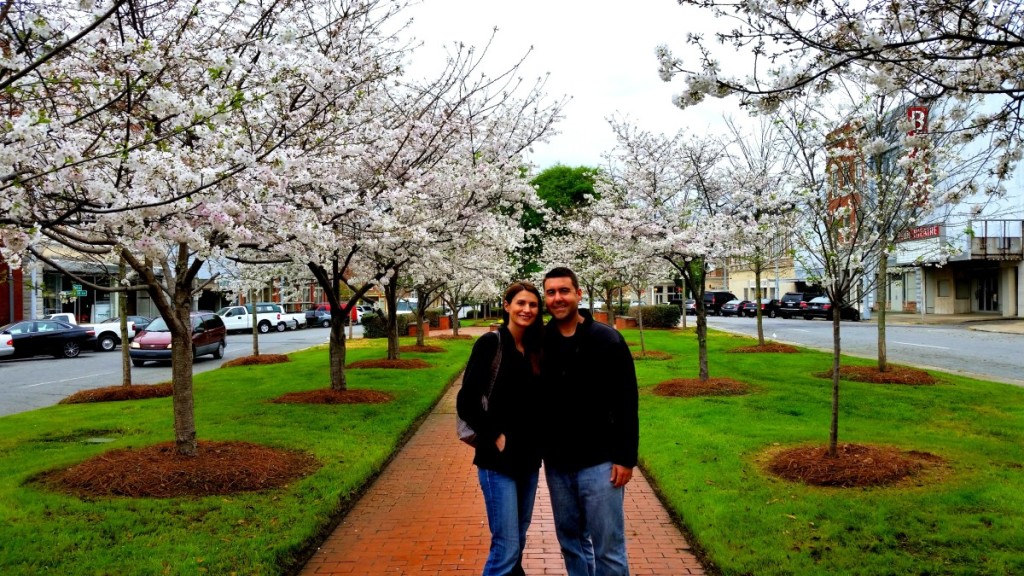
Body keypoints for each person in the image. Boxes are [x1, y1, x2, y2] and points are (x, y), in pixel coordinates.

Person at [541, 267, 639, 576]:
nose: (558, 298)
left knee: (608, 548)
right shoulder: (541, 341)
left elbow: (626, 401)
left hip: (600, 463)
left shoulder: (606, 339)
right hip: (557, 465)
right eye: (551, 292)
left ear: (578, 294)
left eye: (564, 291)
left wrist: (625, 458)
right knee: (571, 542)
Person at [457, 281, 545, 576]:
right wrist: (494, 434)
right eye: (520, 303)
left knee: (517, 542)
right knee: (505, 547)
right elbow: (466, 401)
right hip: (498, 460)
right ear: (507, 305)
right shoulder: (491, 343)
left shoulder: (535, 349)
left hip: (530, 459)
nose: (527, 309)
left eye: (533, 305)